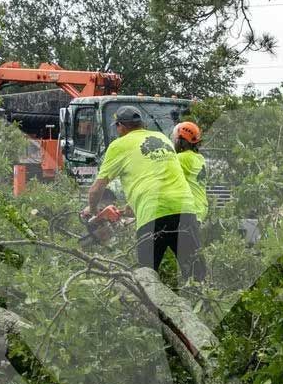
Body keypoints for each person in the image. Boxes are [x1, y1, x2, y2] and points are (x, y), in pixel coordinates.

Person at [86, 106, 196, 284]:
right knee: (195, 273)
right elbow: (159, 174)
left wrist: (92, 212)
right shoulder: (162, 138)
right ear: (141, 124)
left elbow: (96, 189)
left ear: (120, 126)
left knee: (147, 279)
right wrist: (132, 207)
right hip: (185, 209)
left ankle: (152, 309)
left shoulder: (119, 145)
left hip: (153, 214)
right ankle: (202, 307)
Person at [173, 119, 209, 280]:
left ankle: (196, 287)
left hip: (189, 211)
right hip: (200, 209)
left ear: (180, 140)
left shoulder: (182, 159)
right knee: (192, 251)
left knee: (189, 258)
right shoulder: (198, 158)